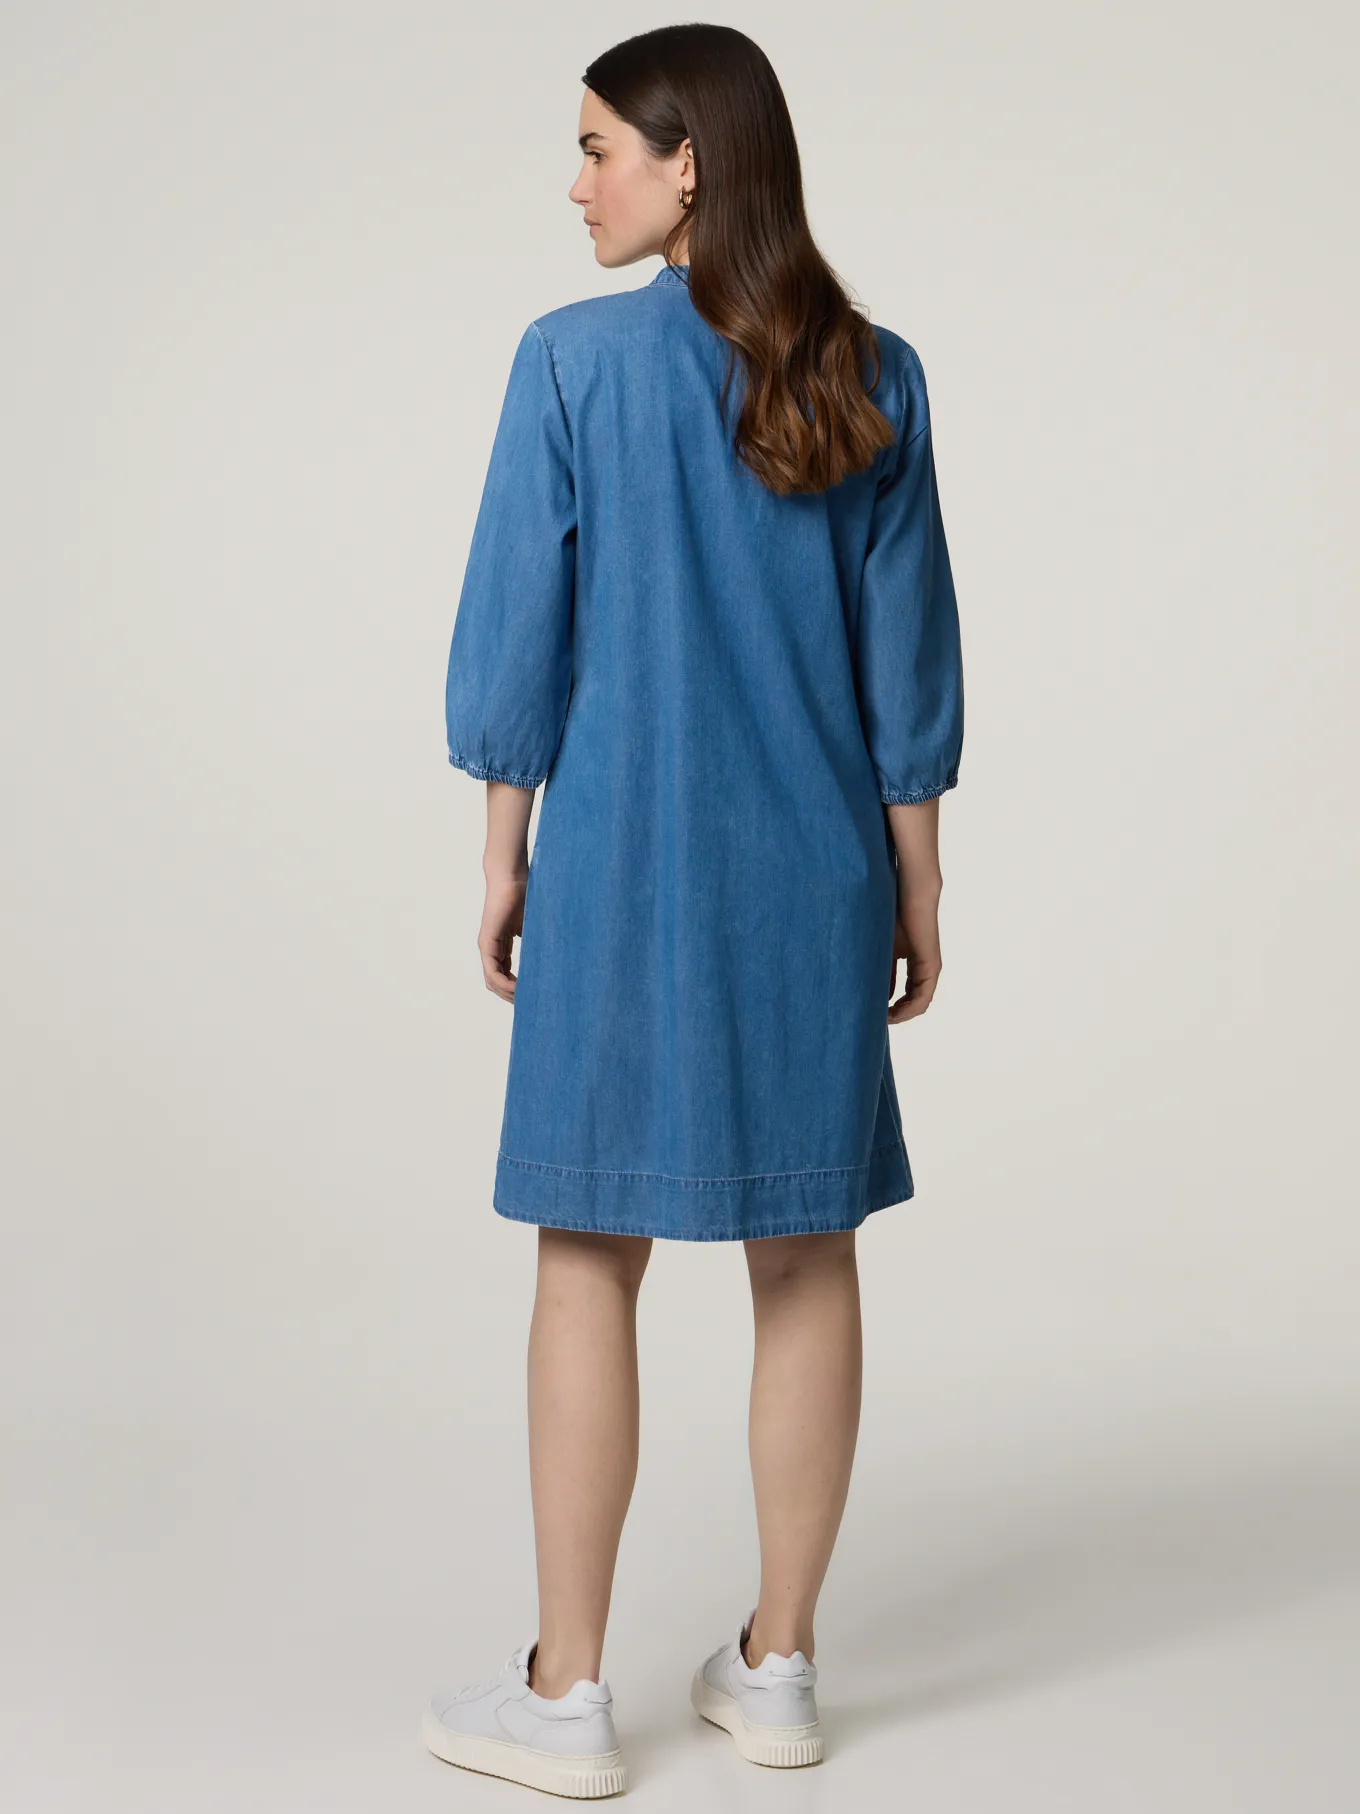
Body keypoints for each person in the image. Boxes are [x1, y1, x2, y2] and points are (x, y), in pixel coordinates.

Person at [422, 23, 964, 1797]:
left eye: (598, 149)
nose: (574, 184)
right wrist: (918, 879)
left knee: (590, 1252)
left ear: (691, 164)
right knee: (805, 1253)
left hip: (624, 875)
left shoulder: (571, 367)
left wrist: (504, 852)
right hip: (815, 882)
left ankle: (566, 1690)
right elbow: (907, 661)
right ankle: (779, 1666)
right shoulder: (874, 374)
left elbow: (517, 637)